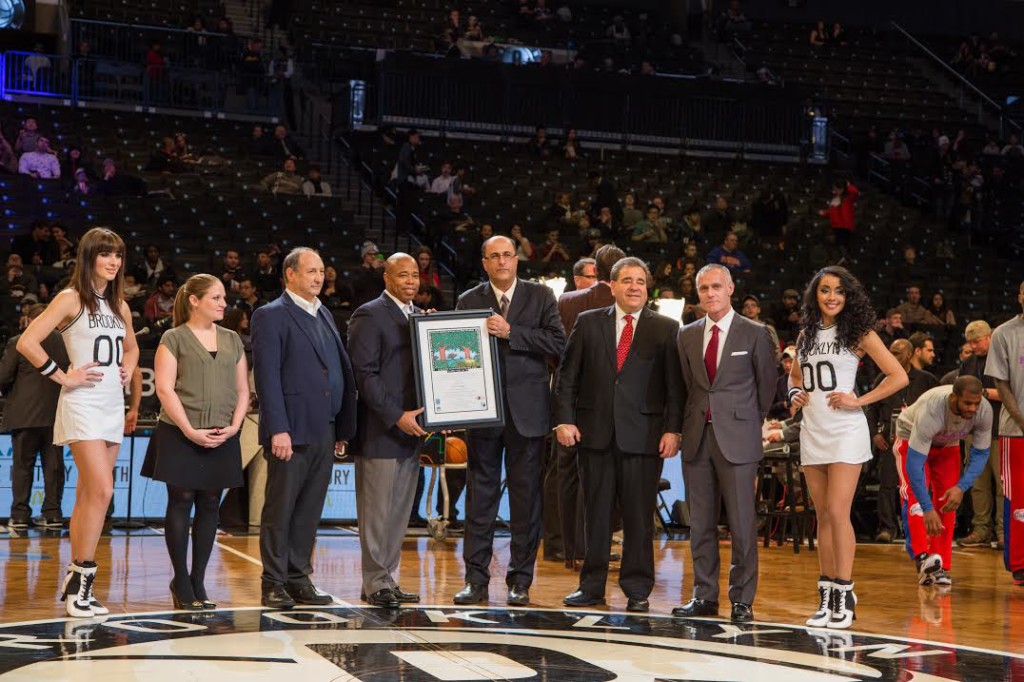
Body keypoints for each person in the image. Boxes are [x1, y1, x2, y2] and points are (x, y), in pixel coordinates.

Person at [17, 227, 140, 617]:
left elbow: (133, 347)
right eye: (106, 254)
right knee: (102, 490)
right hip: (81, 403)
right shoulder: (71, 298)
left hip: (110, 405)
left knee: (91, 495)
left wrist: (127, 368)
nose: (113, 261)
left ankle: (79, 587)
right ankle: (79, 580)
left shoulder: (120, 304)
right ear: (89, 256)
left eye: (118, 255)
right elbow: (27, 342)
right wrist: (64, 376)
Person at [556, 257, 683, 613]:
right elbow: (567, 378)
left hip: (644, 437)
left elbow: (675, 388)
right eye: (626, 280)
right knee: (595, 514)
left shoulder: (667, 328)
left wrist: (674, 429)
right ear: (611, 286)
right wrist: (564, 420)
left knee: (640, 517)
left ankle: (638, 589)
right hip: (594, 435)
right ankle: (591, 586)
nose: (633, 287)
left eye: (640, 281)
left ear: (647, 287)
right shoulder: (587, 322)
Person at [789, 266, 908, 629]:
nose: (832, 297)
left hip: (844, 430)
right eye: (825, 290)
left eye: (839, 291)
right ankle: (826, 594)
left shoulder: (859, 333)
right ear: (815, 295)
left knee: (838, 513)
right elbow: (795, 377)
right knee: (822, 515)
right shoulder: (806, 333)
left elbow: (898, 375)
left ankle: (844, 590)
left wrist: (861, 400)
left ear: (848, 296)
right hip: (813, 428)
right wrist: (794, 393)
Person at [452, 235, 566, 607]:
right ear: (484, 263)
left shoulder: (541, 296)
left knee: (525, 501)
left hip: (528, 414)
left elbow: (558, 344)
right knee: (479, 500)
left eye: (507, 255)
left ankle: (520, 580)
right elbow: (456, 356)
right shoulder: (468, 300)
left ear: (517, 260)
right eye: (493, 256)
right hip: (481, 413)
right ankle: (475, 580)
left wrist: (512, 333)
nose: (501, 261)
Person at [251, 247, 357, 609]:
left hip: (325, 428)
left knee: (310, 509)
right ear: (290, 275)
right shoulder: (271, 315)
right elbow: (266, 378)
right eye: (310, 271)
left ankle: (298, 578)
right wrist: (278, 428)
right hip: (291, 430)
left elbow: (336, 371)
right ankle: (273, 582)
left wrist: (342, 427)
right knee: (280, 509)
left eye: (322, 271)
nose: (318, 277)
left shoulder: (324, 313)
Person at [674, 263, 776, 623]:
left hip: (738, 438)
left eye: (717, 286)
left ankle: (742, 599)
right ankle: (704, 595)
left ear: (731, 288)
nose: (710, 293)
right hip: (697, 438)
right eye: (704, 288)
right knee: (699, 523)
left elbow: (766, 389)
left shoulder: (756, 333)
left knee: (742, 523)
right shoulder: (685, 334)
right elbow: (689, 387)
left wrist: (745, 422)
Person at [145, 274, 248, 610]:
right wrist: (189, 429)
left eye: (223, 298)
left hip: (222, 433)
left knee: (209, 503)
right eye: (216, 298)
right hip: (179, 432)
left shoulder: (232, 339)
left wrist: (235, 426)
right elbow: (164, 389)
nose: (223, 304)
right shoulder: (173, 338)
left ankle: (199, 580)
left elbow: (244, 390)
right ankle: (181, 581)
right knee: (181, 500)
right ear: (194, 300)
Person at [348, 253, 426, 608]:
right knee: (377, 512)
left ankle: (385, 580)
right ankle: (375, 580)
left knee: (397, 512)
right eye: (403, 275)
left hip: (412, 430)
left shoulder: (419, 317)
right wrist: (397, 416)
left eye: (415, 275)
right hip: (382, 429)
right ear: (387, 277)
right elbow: (365, 375)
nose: (410, 281)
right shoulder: (369, 314)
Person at [892, 378, 992, 587]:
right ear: (953, 397)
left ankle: (939, 565)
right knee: (916, 499)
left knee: (948, 502)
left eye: (976, 403)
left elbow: (981, 453)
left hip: (947, 443)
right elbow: (914, 465)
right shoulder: (933, 408)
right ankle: (921, 559)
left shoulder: (984, 410)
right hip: (911, 439)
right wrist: (928, 508)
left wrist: (961, 487)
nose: (972, 408)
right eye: (967, 404)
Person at [0, 303, 69, 530]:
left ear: (30, 321)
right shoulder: (66, 342)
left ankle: (19, 516)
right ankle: (53, 515)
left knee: (22, 467)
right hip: (55, 416)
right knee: (54, 466)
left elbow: (3, 377)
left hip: (24, 416)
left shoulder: (18, 342)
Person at [864, 338, 939, 544]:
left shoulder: (926, 379)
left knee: (919, 484)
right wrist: (875, 434)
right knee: (887, 484)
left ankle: (920, 526)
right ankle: (887, 528)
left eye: (896, 353)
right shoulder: (883, 377)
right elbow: (872, 409)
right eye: (890, 352)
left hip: (919, 440)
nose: (891, 356)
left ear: (908, 355)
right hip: (889, 438)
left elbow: (938, 408)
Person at [985, 283, 1024, 586]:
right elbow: (1001, 383)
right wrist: (1021, 419)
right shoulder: (1004, 333)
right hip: (1016, 430)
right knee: (1017, 498)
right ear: (1020, 297)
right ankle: (1020, 563)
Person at [957, 320, 1004, 549]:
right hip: (973, 431)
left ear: (989, 337)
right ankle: (981, 529)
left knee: (1002, 485)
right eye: (970, 342)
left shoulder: (1003, 358)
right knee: (977, 483)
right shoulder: (968, 363)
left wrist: (983, 393)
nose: (973, 346)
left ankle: (1003, 532)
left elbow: (1012, 394)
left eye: (977, 341)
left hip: (999, 430)